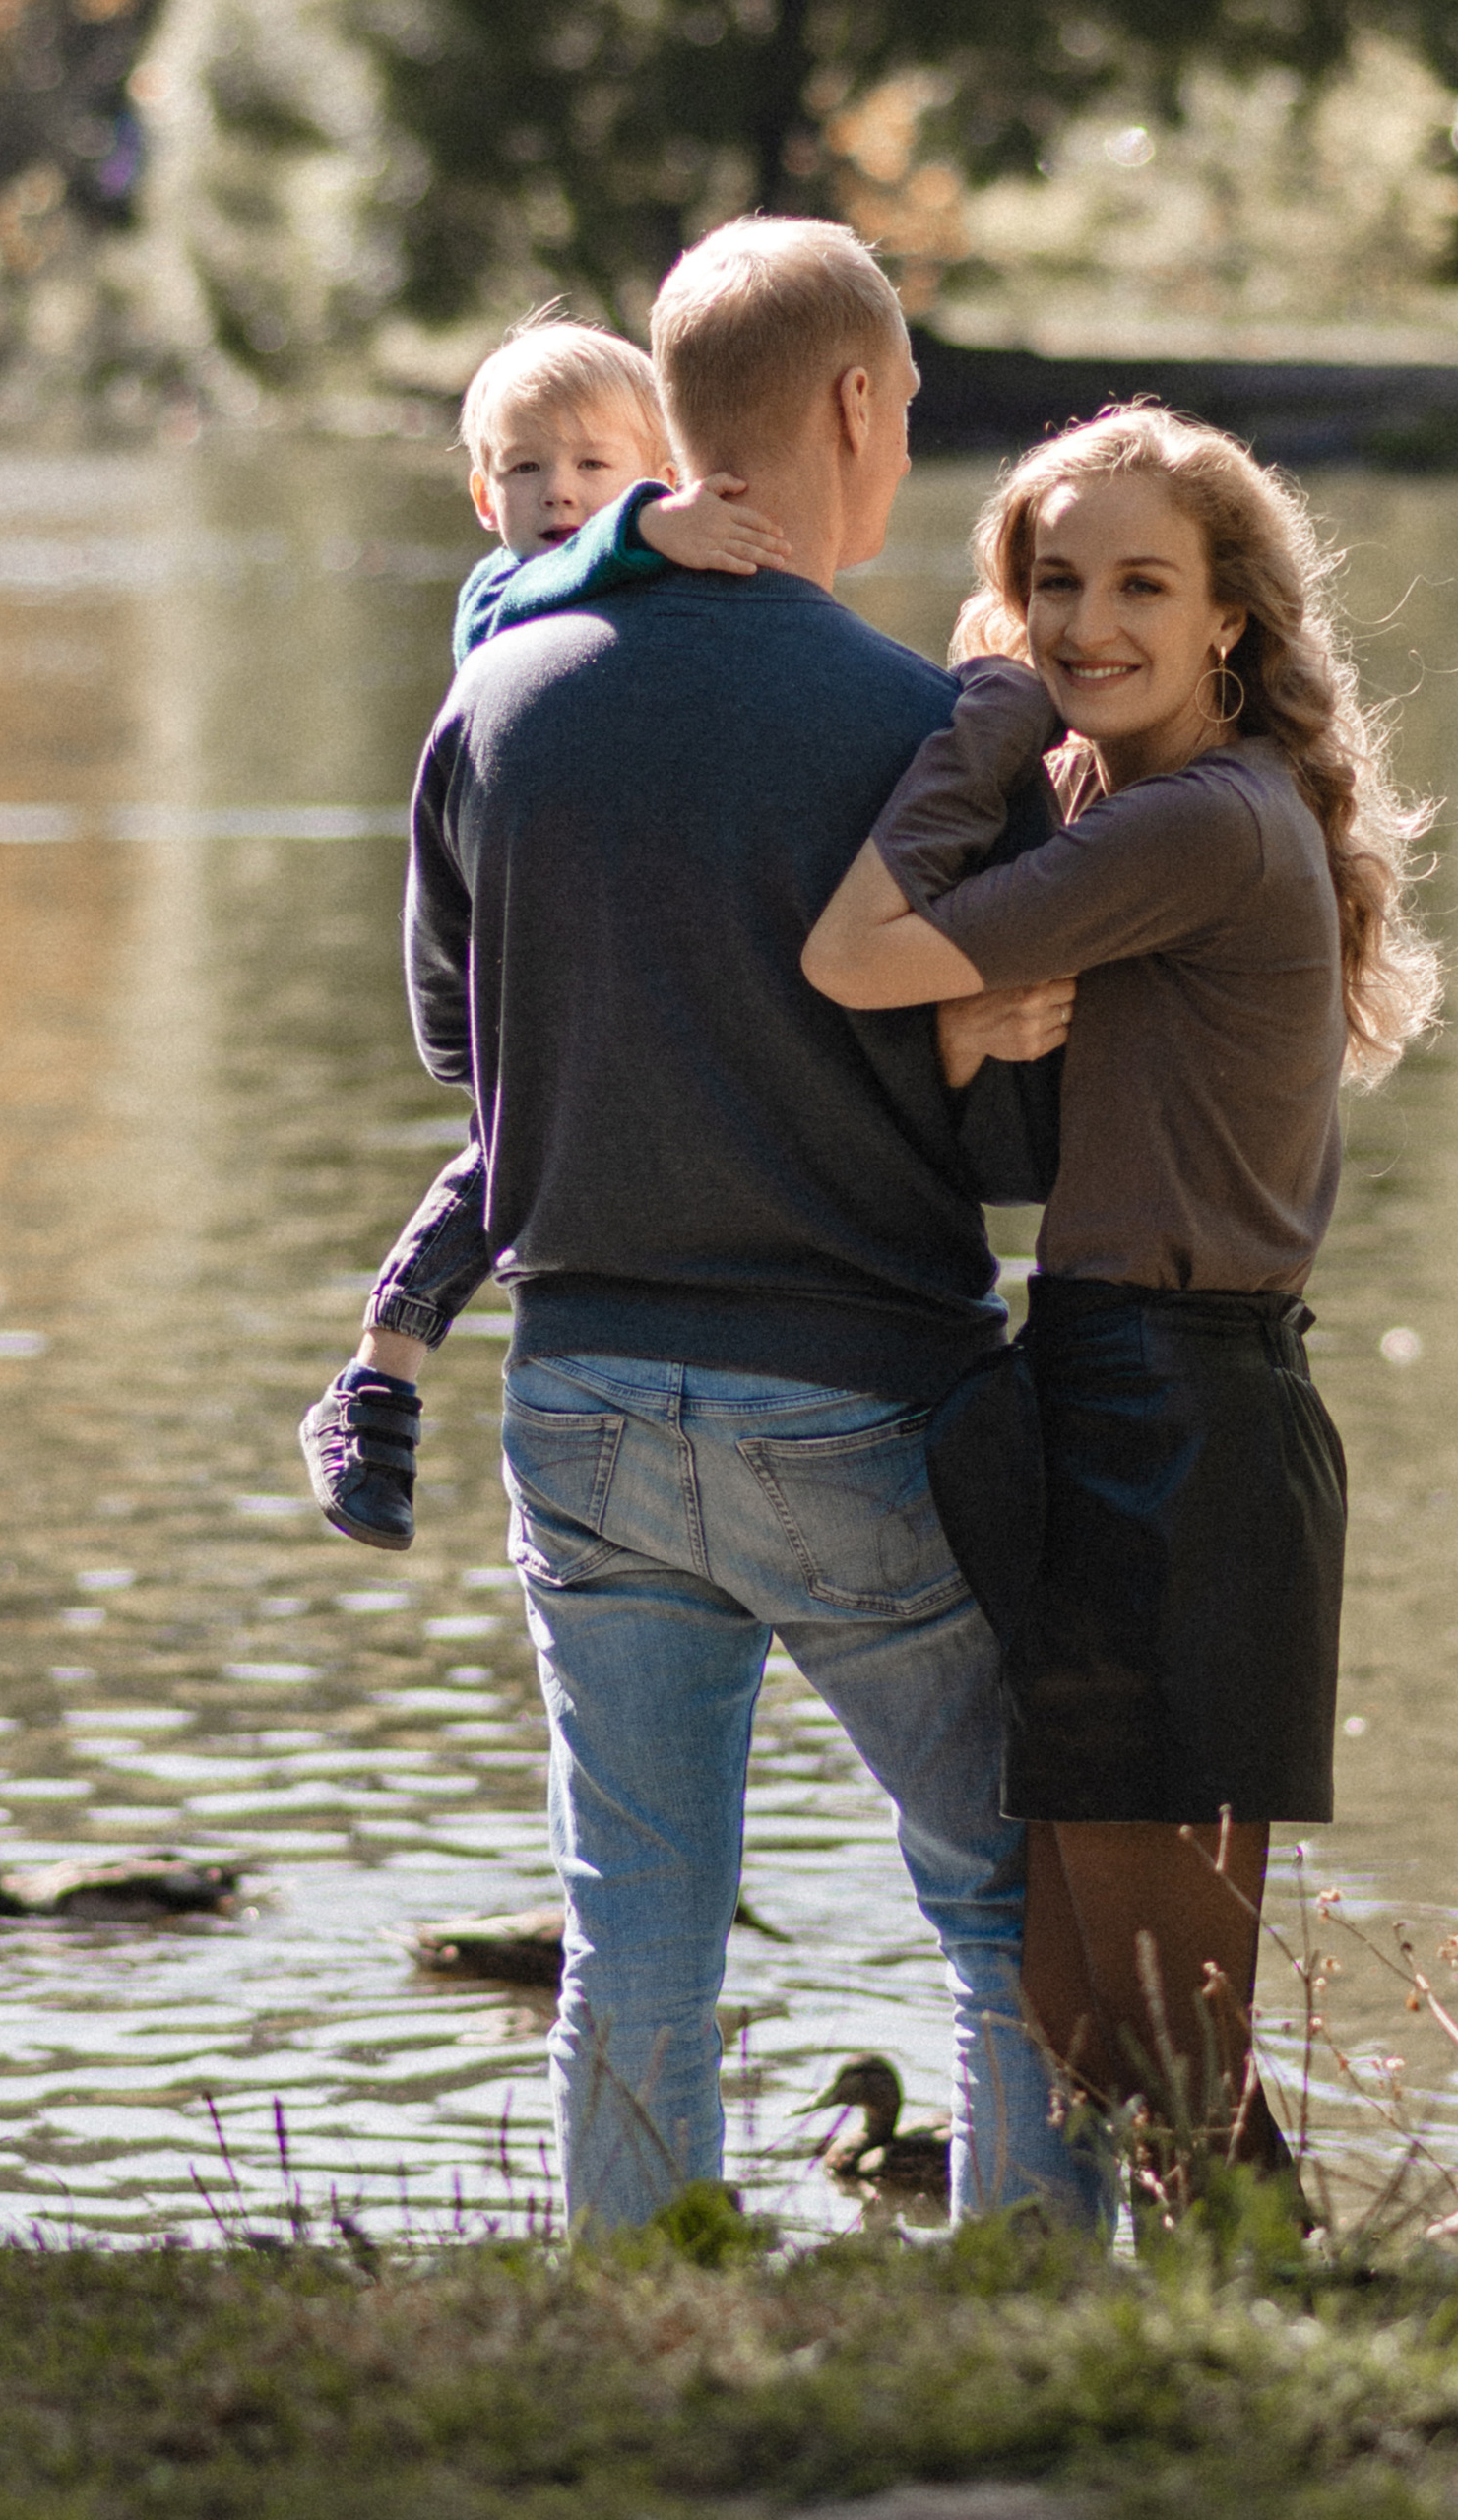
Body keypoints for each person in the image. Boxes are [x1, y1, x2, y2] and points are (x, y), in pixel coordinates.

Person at [399, 214, 1089, 2229]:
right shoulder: (925, 729)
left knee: (635, 1934)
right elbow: (1014, 1150)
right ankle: (1036, 2314)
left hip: (585, 1390)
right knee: (995, 1893)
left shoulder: (495, 698)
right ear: (858, 404)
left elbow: (464, 1051)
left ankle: (633, 2330)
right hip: (862, 1393)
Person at [801, 405, 1440, 2177]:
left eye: (1139, 585)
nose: (1088, 622)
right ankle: (1253, 2359)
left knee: (1158, 2031)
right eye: (1052, 582)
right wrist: (969, 1018)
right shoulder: (1124, 805)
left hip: (1186, 1423)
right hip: (1112, 1392)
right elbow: (1020, 1135)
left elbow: (848, 949)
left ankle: (1302, 2377)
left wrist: (977, 719)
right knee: (1100, 2021)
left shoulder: (1204, 826)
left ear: (1229, 616)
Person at [301, 313, 791, 1552]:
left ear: (661, 466)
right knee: (500, 1159)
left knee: (548, 1162)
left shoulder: (660, 587)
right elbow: (548, 599)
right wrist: (650, 533)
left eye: (592, 467)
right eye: (525, 468)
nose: (558, 492)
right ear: (482, 494)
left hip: (612, 959)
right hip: (512, 969)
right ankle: (372, 1381)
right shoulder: (499, 598)